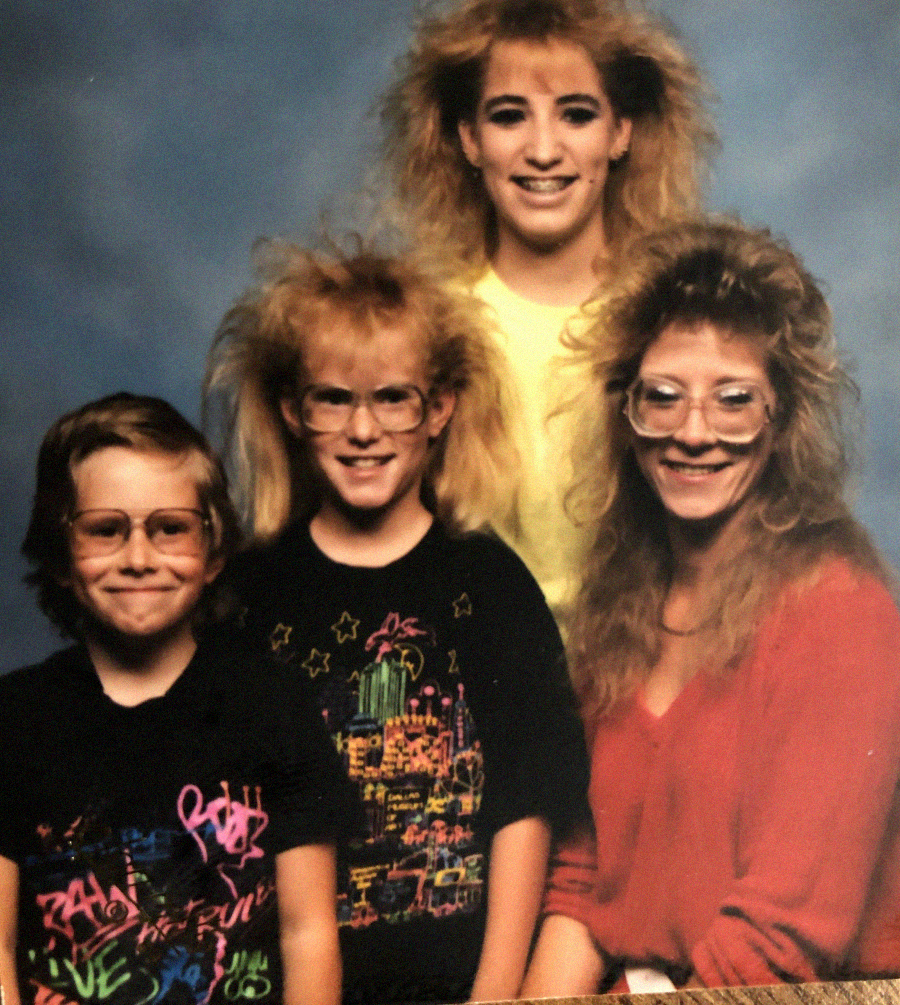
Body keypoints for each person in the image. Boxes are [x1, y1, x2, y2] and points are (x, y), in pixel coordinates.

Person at [520, 219, 900, 994]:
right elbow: (584, 881)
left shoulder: (841, 614)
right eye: (663, 397)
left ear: (782, 421)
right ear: (626, 413)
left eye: (734, 400)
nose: (694, 433)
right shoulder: (620, 604)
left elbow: (778, 945)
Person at [206, 244, 588, 1004]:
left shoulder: (488, 584)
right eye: (333, 399)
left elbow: (524, 806)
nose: (363, 430)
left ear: (438, 409)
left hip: (463, 977)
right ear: (292, 410)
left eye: (393, 398)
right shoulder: (250, 594)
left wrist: (495, 994)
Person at [379, 0, 717, 628]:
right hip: (480, 679)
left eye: (575, 114)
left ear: (620, 132)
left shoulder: (676, 324)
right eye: (508, 116)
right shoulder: (430, 327)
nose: (542, 149)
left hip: (647, 673)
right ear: (468, 139)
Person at [0, 393, 349, 1005]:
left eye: (170, 529)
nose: (139, 559)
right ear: (60, 556)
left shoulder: (274, 704)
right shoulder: (14, 719)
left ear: (213, 551)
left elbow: (308, 932)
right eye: (105, 530)